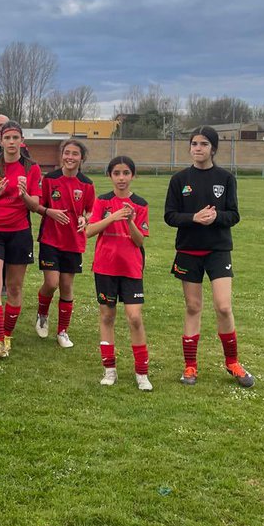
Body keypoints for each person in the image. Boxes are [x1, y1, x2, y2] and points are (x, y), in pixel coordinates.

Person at [164, 126, 255, 388]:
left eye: (204, 144)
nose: (198, 148)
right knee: (193, 307)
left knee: (223, 306)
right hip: (188, 251)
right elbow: (170, 216)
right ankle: (190, 367)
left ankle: (232, 362)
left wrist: (216, 217)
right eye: (194, 143)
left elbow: (234, 215)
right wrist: (193, 217)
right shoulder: (179, 179)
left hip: (218, 250)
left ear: (213, 148)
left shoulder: (225, 178)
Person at [0, 121, 42, 358]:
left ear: (21, 140)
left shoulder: (31, 168)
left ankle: (8, 336)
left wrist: (24, 195)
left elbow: (35, 206)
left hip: (19, 233)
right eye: (7, 138)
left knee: (14, 287)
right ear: (0, 141)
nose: (11, 142)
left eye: (16, 138)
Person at [87, 156, 152, 390]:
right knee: (107, 317)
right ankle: (109, 369)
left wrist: (131, 221)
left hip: (131, 268)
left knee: (134, 317)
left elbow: (138, 241)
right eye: (117, 173)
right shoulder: (102, 201)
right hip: (105, 268)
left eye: (126, 173)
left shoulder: (141, 204)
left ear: (133, 175)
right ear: (110, 176)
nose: (121, 178)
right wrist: (113, 217)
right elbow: (88, 231)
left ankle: (141, 373)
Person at [35, 139, 95, 349]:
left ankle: (62, 331)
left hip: (73, 241)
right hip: (50, 239)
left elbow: (89, 209)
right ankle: (42, 313)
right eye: (66, 152)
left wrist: (84, 219)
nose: (70, 157)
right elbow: (38, 205)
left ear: (81, 158)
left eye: (75, 154)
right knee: (51, 283)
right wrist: (49, 212)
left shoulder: (87, 184)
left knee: (67, 286)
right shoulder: (50, 179)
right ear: (61, 155)